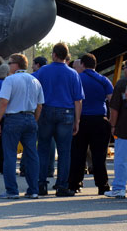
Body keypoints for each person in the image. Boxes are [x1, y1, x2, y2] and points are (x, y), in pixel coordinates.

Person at [35, 43, 84, 197]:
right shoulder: (73, 74)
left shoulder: (43, 71)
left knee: (43, 149)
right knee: (64, 151)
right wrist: (77, 121)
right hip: (66, 113)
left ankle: (41, 184)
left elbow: (32, 85)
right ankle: (62, 186)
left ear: (54, 55)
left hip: (46, 110)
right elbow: (78, 100)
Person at [0, 53, 44, 199]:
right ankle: (33, 189)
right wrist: (34, 119)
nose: (8, 66)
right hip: (30, 117)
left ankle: (12, 190)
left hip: (13, 119)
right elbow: (40, 105)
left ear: (16, 65)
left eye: (10, 63)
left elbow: (3, 101)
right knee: (32, 155)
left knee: (10, 155)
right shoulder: (35, 80)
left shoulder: (10, 80)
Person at [69, 53, 113, 194]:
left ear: (82, 64)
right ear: (95, 65)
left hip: (81, 120)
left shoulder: (77, 79)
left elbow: (73, 99)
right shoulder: (104, 80)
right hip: (100, 120)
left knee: (78, 153)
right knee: (99, 156)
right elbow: (111, 100)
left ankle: (75, 184)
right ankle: (102, 185)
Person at [104, 65, 127, 198]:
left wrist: (112, 126)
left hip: (123, 128)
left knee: (121, 160)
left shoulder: (122, 84)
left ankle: (119, 188)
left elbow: (115, 108)